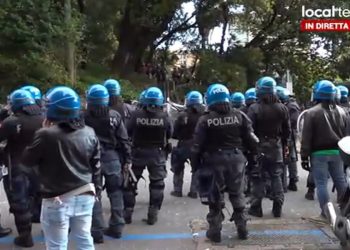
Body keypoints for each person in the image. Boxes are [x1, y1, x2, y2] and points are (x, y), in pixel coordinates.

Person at [22, 86, 102, 250]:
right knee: (84, 239)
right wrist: (98, 191)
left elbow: (26, 161)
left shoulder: (45, 134)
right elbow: (96, 165)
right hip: (85, 193)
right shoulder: (89, 132)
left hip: (56, 198)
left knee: (57, 245)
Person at [192, 83, 258, 242]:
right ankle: (242, 228)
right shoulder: (239, 116)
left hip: (213, 161)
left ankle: (215, 231)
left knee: (214, 196)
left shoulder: (205, 120)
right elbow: (252, 140)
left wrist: (195, 167)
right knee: (237, 194)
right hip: (236, 160)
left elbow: (196, 147)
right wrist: (252, 159)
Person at [84, 84, 131, 243]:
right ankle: (117, 226)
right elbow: (124, 140)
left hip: (90, 159)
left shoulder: (82, 117)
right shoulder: (115, 116)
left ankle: (96, 231)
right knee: (116, 192)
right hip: (112, 158)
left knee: (93, 194)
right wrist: (128, 160)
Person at [0, 89, 43, 247]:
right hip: (41, 165)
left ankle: (25, 236)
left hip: (17, 164)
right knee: (42, 197)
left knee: (19, 202)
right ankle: (49, 228)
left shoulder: (12, 121)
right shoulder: (44, 117)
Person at [124, 87, 173, 225]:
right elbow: (170, 133)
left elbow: (127, 131)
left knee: (130, 184)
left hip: (137, 153)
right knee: (157, 185)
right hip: (157, 154)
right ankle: (153, 214)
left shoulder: (136, 115)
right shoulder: (165, 117)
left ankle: (127, 212)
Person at [300, 80, 348, 217]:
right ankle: (346, 209)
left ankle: (326, 213)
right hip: (338, 152)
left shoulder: (312, 112)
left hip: (318, 153)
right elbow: (345, 134)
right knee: (340, 180)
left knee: (321, 183)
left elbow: (306, 136)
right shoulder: (342, 111)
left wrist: (304, 156)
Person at [248, 76, 291, 218]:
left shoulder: (254, 108)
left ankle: (256, 207)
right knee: (276, 176)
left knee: (258, 177)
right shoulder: (282, 108)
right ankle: (278, 204)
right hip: (276, 145)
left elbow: (249, 131)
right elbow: (287, 131)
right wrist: (284, 145)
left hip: (259, 145)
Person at [170, 91, 205, 198]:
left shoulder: (182, 115)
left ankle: (177, 190)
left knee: (178, 167)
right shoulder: (204, 116)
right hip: (197, 145)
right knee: (197, 168)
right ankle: (194, 191)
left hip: (183, 144)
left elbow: (174, 133)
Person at [276, 86, 301, 191]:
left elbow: (291, 122)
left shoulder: (290, 107)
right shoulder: (290, 106)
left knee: (287, 158)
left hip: (289, 135)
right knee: (290, 158)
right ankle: (291, 181)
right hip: (289, 134)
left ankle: (289, 182)